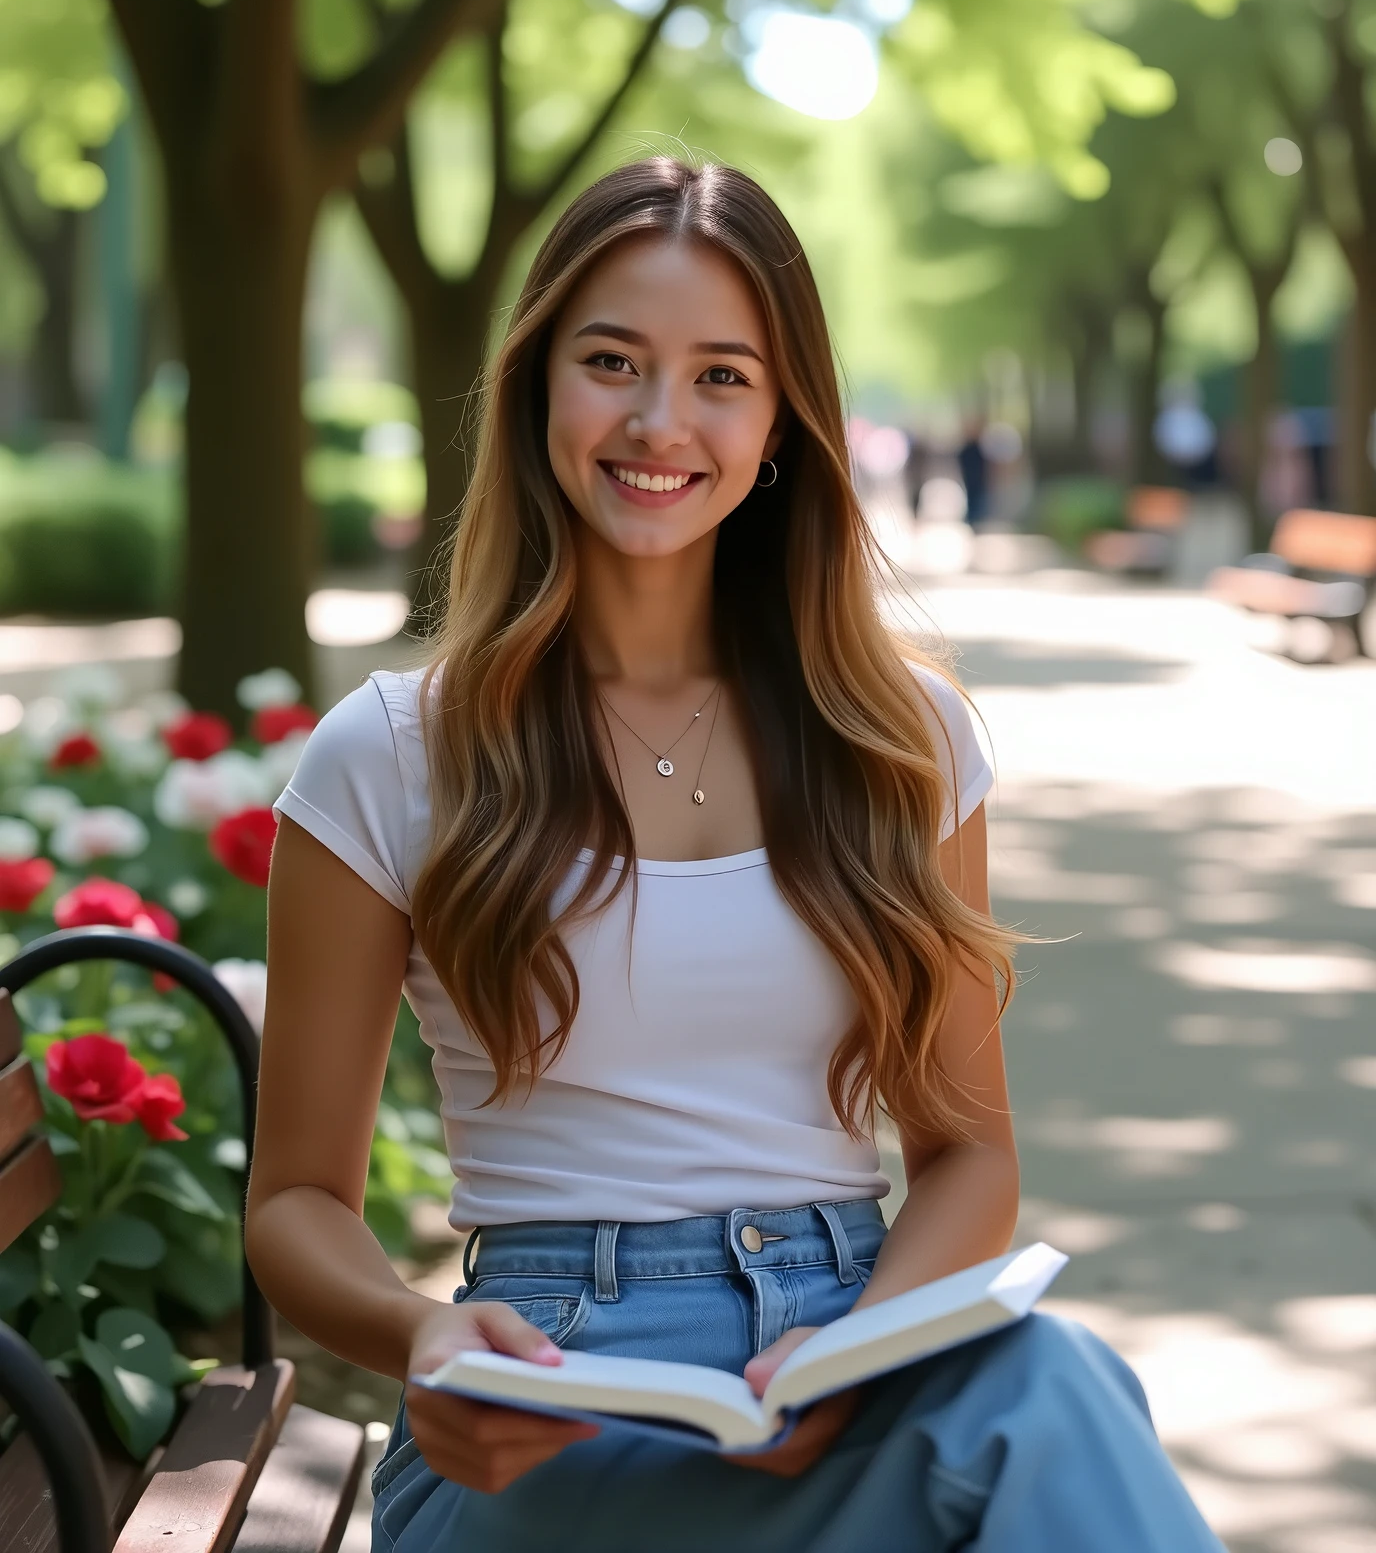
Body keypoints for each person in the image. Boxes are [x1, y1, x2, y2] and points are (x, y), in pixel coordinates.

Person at [246, 159, 1224, 1552]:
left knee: (1048, 1390)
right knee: (1042, 1430)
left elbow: (965, 1159)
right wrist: (423, 1338)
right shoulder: (392, 752)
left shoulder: (904, 739)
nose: (659, 421)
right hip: (543, 1406)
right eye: (611, 362)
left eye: (721, 375)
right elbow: (292, 1205)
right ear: (535, 390)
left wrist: (865, 1356)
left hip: (841, 1368)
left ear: (780, 425)